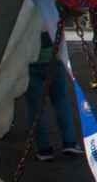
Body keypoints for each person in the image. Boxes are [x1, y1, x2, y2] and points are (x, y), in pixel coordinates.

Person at [25, 30, 82, 161]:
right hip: (54, 59)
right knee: (61, 102)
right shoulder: (51, 9)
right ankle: (69, 142)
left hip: (31, 62)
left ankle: (44, 149)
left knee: (35, 107)